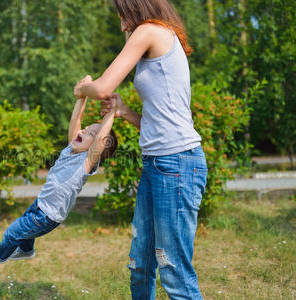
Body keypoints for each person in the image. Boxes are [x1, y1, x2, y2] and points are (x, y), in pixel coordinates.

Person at [73, 0, 208, 299]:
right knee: (140, 265)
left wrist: (83, 89)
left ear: (138, 8)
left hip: (177, 164)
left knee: (173, 271)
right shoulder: (155, 35)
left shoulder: (150, 31)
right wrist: (123, 112)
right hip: (158, 164)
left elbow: (104, 87)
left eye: (123, 16)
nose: (122, 25)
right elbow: (159, 120)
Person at [0, 78, 118, 265]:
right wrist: (81, 97)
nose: (83, 130)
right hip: (40, 204)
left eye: (91, 133)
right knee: (25, 229)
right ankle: (27, 251)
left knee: (14, 231)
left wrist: (112, 112)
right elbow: (76, 120)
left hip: (48, 216)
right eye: (86, 128)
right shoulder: (71, 150)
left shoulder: (86, 162)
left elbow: (100, 140)